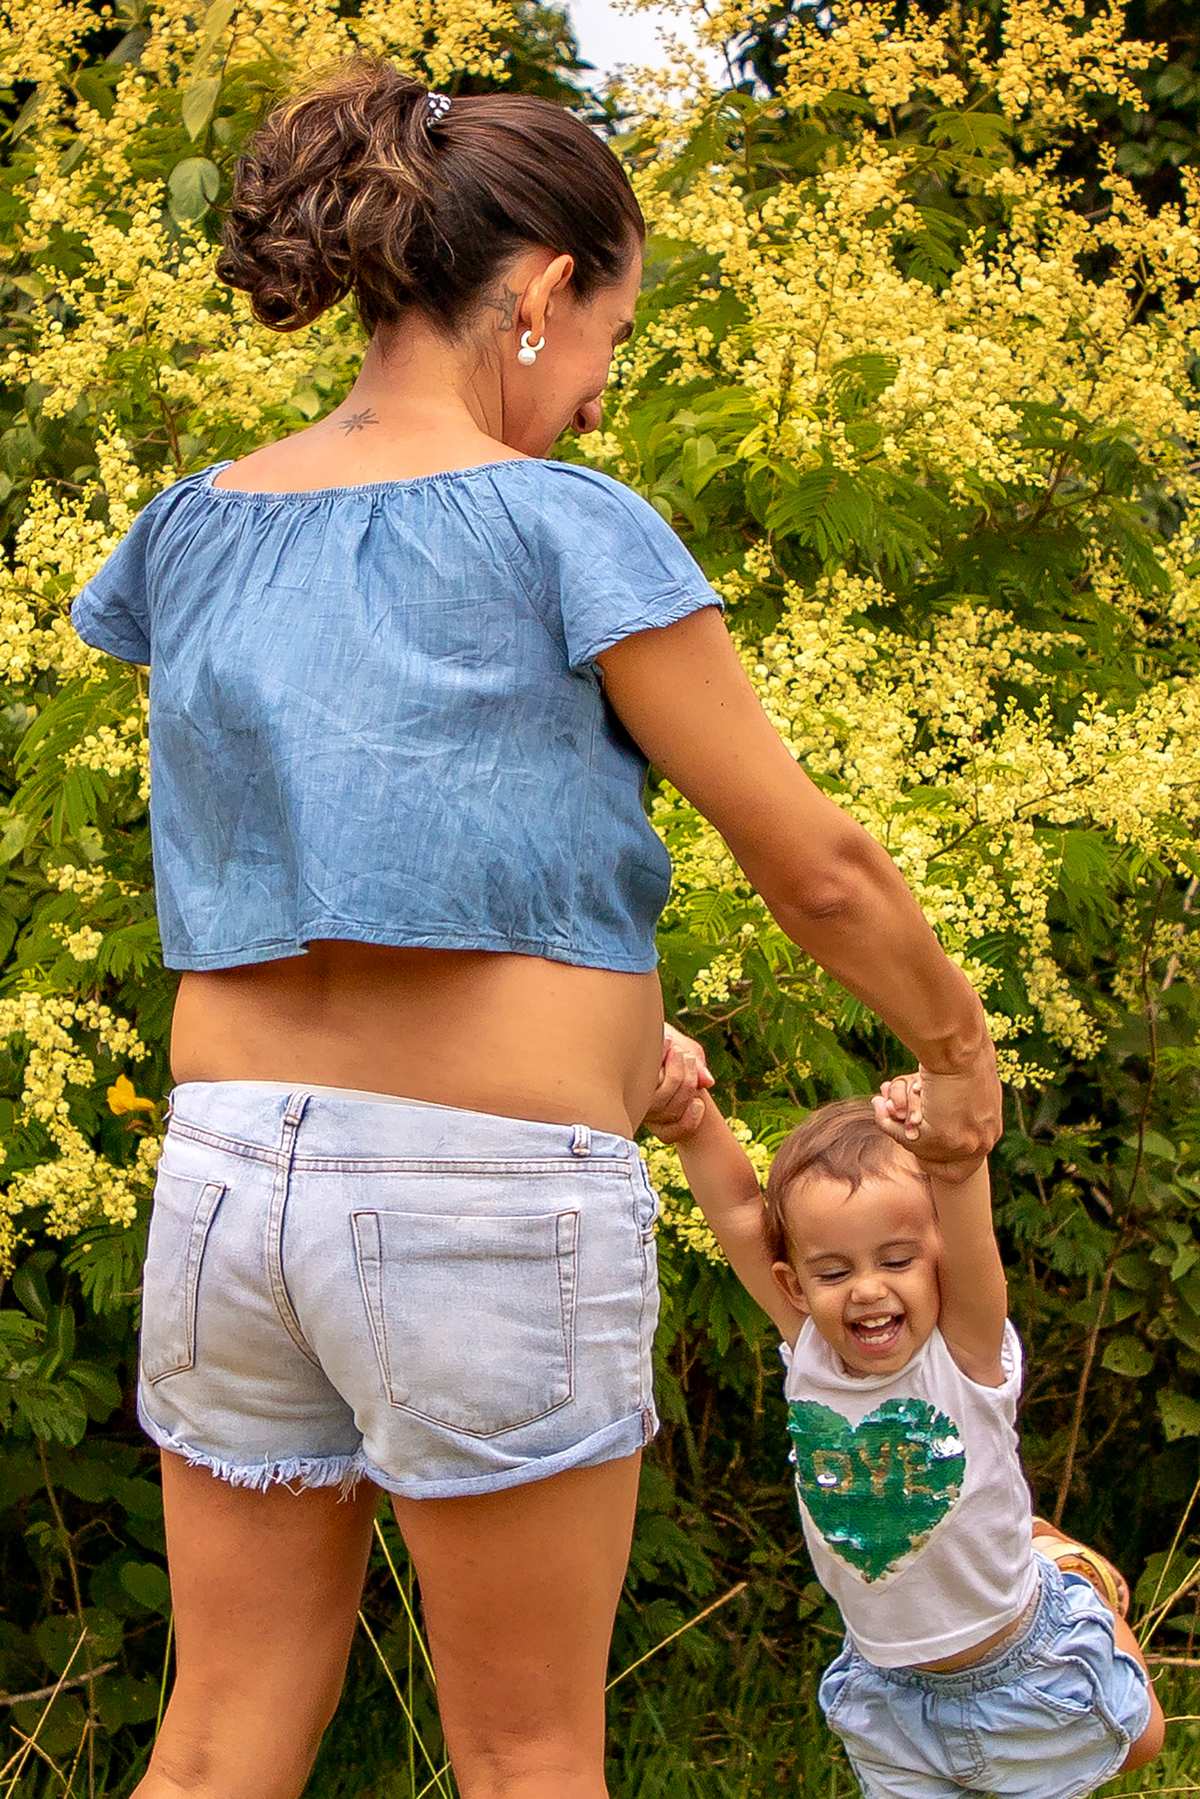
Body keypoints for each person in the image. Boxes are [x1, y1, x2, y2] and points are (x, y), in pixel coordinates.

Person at [70, 56, 1003, 1799]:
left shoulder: (194, 526)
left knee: (211, 1741)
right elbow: (822, 873)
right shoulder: (567, 522)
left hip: (223, 1181)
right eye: (605, 343)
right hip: (473, 1204)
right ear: (546, 289)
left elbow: (340, 811)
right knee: (524, 1752)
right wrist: (954, 1048)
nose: (591, 401)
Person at [645, 1037, 1166, 1799]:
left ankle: (1068, 1573)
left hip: (1022, 1657)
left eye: (895, 1260)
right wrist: (692, 1120)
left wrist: (950, 1151)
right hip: (890, 1689)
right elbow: (737, 1208)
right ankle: (1049, 1555)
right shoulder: (812, 1353)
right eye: (834, 1270)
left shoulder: (964, 1352)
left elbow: (969, 1226)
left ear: (938, 1264)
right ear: (795, 1284)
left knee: (1140, 1741)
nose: (865, 1290)